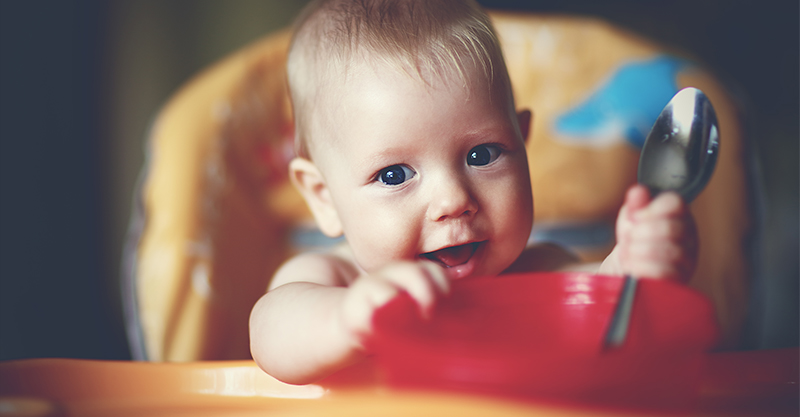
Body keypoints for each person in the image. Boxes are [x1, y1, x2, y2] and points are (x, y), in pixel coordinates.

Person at [249, 0, 697, 385]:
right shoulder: (333, 280)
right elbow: (271, 335)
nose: (452, 201)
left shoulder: (537, 275)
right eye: (394, 175)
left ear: (522, 143)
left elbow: (607, 306)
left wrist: (639, 263)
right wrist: (347, 319)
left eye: (482, 155)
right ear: (323, 197)